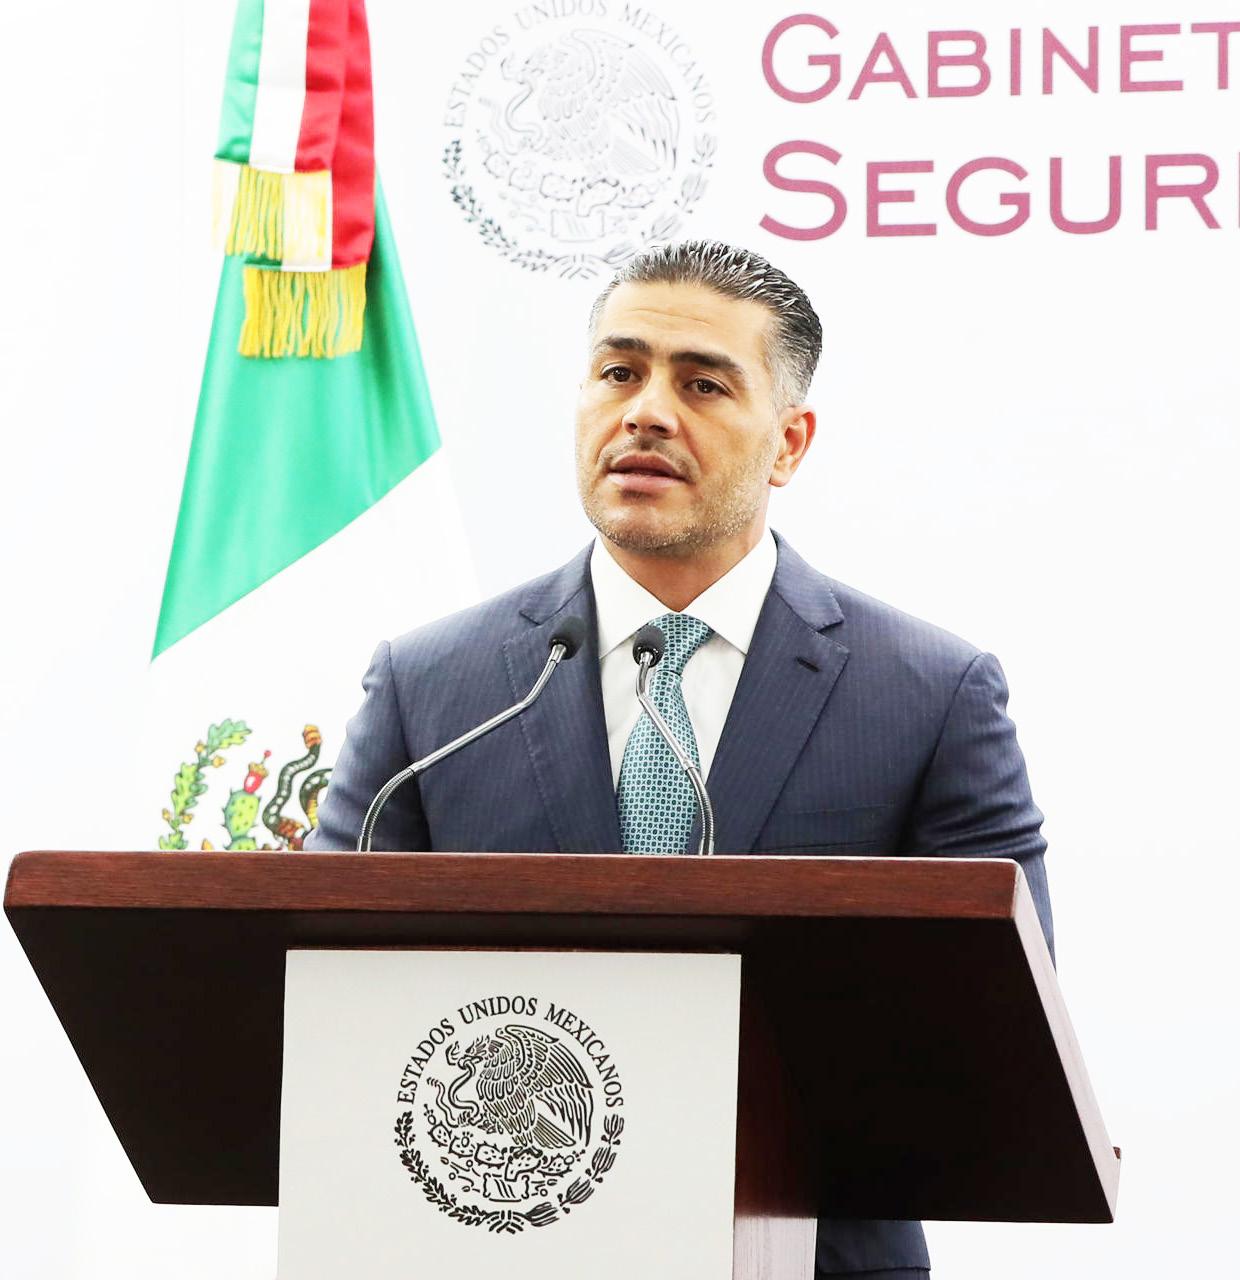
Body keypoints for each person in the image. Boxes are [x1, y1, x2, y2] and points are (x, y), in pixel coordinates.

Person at [306, 240, 1054, 1278]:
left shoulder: (928, 694)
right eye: (619, 372)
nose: (647, 413)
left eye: (702, 384)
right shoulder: (433, 683)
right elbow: (323, 1002)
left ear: (788, 442)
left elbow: (998, 1033)